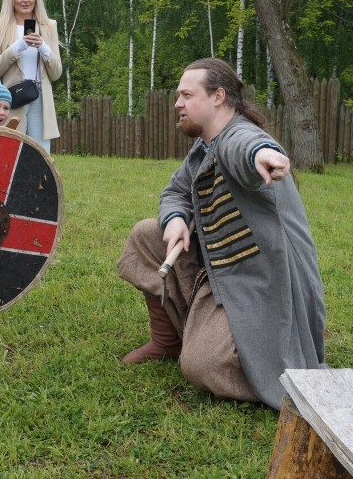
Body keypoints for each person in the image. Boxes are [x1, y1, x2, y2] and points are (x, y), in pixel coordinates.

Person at [116, 58, 326, 410]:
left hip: (260, 284)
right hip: (219, 266)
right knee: (146, 236)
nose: (177, 103)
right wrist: (176, 220)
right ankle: (167, 341)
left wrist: (262, 154)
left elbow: (246, 148)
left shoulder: (239, 137)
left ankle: (249, 356)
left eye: (186, 95)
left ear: (218, 97)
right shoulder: (204, 148)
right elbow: (174, 193)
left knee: (202, 366)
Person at [0, 0, 62, 152]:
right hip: (13, 97)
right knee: (11, 151)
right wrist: (17, 47)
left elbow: (56, 73)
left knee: (40, 154)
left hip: (40, 97)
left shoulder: (48, 26)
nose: (25, 0)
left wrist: (43, 47)